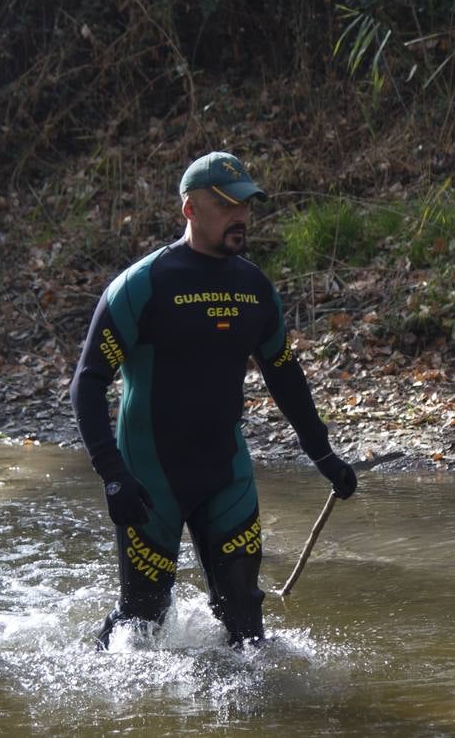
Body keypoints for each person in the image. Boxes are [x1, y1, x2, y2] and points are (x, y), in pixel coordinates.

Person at [69, 150, 358, 649]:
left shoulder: (255, 288)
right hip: (150, 476)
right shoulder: (144, 285)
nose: (241, 215)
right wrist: (113, 475)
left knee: (245, 617)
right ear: (190, 209)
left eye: (246, 204)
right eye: (226, 204)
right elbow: (88, 381)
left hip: (226, 473)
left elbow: (284, 372)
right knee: (142, 618)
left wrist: (324, 455)